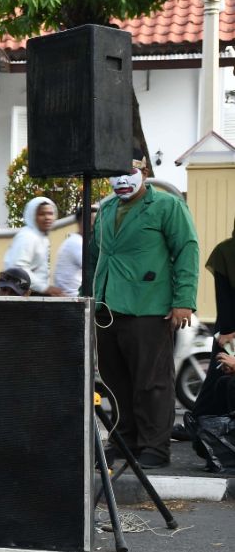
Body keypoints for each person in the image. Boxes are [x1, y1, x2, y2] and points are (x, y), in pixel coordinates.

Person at [93, 160, 199, 469]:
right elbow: (96, 257)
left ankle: (155, 447)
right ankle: (124, 442)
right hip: (107, 308)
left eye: (128, 173)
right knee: (116, 382)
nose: (121, 180)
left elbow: (187, 249)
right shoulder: (107, 209)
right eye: (115, 174)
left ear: (145, 173)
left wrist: (184, 300)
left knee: (151, 382)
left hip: (149, 307)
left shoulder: (167, 205)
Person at [3, 196, 63, 296]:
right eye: (41, 214)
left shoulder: (41, 238)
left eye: (50, 213)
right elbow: (19, 269)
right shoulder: (27, 236)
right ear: (32, 216)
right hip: (22, 294)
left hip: (33, 292)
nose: (47, 217)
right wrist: (45, 288)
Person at [206, 218, 235, 350]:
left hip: (229, 327)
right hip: (228, 326)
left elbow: (223, 295)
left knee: (223, 367)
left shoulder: (225, 250)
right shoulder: (225, 251)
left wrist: (227, 331)